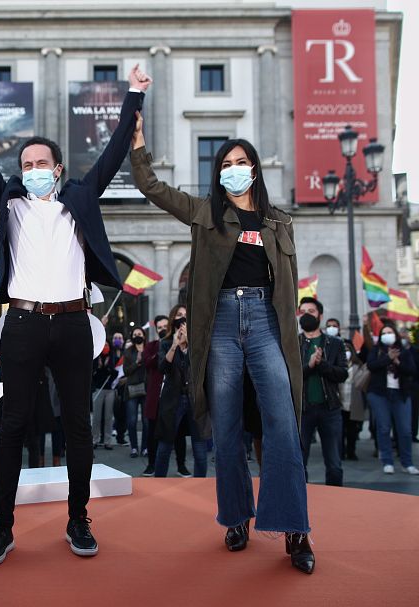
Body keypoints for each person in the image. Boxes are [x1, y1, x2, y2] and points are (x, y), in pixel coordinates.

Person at [0, 65, 150, 567]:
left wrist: (134, 94)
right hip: (24, 324)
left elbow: (114, 150)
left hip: (74, 323)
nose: (33, 169)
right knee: (13, 425)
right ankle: (2, 528)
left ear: (57, 169)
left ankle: (78, 519)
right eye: (26, 163)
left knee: (77, 424)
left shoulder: (81, 197)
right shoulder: (10, 202)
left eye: (42, 163)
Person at [131, 116, 314, 573]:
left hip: (266, 322)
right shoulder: (204, 213)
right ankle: (235, 519)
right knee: (226, 428)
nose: (234, 169)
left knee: (283, 424)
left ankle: (295, 528)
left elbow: (289, 287)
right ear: (218, 173)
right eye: (226, 164)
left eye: (241, 162)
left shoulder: (279, 221)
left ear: (254, 168)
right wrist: (138, 145)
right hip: (223, 325)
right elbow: (152, 187)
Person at [297, 297, 348, 487]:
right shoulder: (293, 342)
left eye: (311, 311)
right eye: (303, 312)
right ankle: (300, 499)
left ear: (320, 315)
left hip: (330, 409)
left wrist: (322, 364)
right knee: (299, 461)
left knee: (334, 463)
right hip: (302, 410)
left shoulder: (335, 343)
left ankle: (335, 498)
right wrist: (310, 365)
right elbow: (289, 375)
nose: (306, 315)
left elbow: (342, 373)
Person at [154, 309, 208, 478]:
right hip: (172, 400)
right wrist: (175, 345)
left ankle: (200, 484)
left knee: (199, 447)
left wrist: (190, 343)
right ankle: (158, 483)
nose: (182, 319)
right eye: (179, 315)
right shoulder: (166, 342)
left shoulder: (197, 343)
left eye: (185, 315)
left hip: (194, 400)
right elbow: (162, 368)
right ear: (173, 320)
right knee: (165, 445)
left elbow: (202, 367)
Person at [366, 323, 419, 475]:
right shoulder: (376, 350)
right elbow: (371, 366)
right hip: (380, 394)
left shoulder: (404, 351)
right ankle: (387, 461)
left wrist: (397, 362)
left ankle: (407, 463)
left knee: (405, 430)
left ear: (395, 335)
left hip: (401, 394)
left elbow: (412, 370)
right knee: (383, 428)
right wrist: (388, 358)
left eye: (390, 332)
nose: (387, 335)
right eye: (384, 333)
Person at [141, 315, 169, 476]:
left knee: (176, 433)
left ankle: (181, 465)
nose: (163, 330)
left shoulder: (177, 344)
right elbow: (148, 363)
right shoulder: (151, 346)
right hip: (155, 397)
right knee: (151, 432)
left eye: (165, 326)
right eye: (160, 328)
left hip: (172, 397)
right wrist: (161, 348)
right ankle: (151, 464)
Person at [123, 327, 149, 458]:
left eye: (139, 333)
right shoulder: (128, 352)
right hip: (132, 390)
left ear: (144, 336)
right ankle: (134, 447)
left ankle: (145, 448)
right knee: (132, 421)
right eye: (135, 334)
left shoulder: (149, 349)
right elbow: (126, 371)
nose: (137, 336)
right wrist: (137, 363)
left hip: (147, 389)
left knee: (146, 421)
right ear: (132, 337)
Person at [92, 340, 118, 450]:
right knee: (96, 417)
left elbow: (117, 373)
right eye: (103, 345)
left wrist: (109, 369)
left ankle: (108, 441)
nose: (105, 347)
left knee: (108, 417)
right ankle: (95, 439)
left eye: (107, 345)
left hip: (110, 390)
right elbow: (91, 374)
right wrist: (98, 368)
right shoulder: (95, 358)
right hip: (98, 389)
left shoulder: (113, 358)